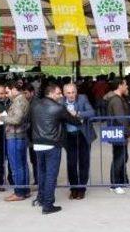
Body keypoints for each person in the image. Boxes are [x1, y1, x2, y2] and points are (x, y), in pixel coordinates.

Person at [30, 84, 80, 214]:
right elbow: (74, 121)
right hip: (52, 144)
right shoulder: (59, 108)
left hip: (37, 144)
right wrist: (76, 116)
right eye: (58, 93)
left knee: (42, 173)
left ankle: (40, 198)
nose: (61, 95)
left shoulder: (34, 105)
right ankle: (48, 205)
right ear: (51, 93)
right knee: (51, 175)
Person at [0, 80, 31, 202]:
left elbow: (16, 119)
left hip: (15, 136)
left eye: (7, 91)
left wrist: (1, 117)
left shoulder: (19, 101)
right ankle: (25, 190)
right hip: (19, 135)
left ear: (14, 89)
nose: (6, 94)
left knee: (17, 166)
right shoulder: (22, 99)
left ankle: (19, 192)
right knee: (22, 165)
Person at [63, 83, 96, 200]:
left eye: (73, 92)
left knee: (84, 162)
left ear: (76, 92)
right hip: (69, 136)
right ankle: (73, 189)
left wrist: (78, 113)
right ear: (64, 93)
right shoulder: (60, 102)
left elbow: (92, 112)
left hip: (83, 135)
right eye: (68, 93)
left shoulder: (82, 98)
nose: (71, 95)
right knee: (71, 163)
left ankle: (82, 189)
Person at [105, 79, 130, 194]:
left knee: (123, 156)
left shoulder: (119, 98)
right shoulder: (116, 100)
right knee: (119, 157)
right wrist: (128, 133)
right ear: (120, 85)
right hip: (118, 131)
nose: (127, 87)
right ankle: (115, 184)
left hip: (118, 131)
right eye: (125, 85)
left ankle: (123, 181)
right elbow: (121, 119)